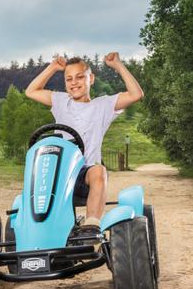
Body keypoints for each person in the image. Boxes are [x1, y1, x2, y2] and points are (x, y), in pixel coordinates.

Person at [24, 53, 144, 235]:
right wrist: (53, 68)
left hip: (85, 173)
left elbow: (136, 94)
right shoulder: (60, 101)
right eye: (69, 79)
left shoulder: (103, 105)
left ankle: (91, 225)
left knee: (98, 170)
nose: (74, 83)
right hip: (58, 173)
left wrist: (118, 65)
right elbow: (30, 91)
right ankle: (36, 231)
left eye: (80, 77)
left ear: (91, 78)